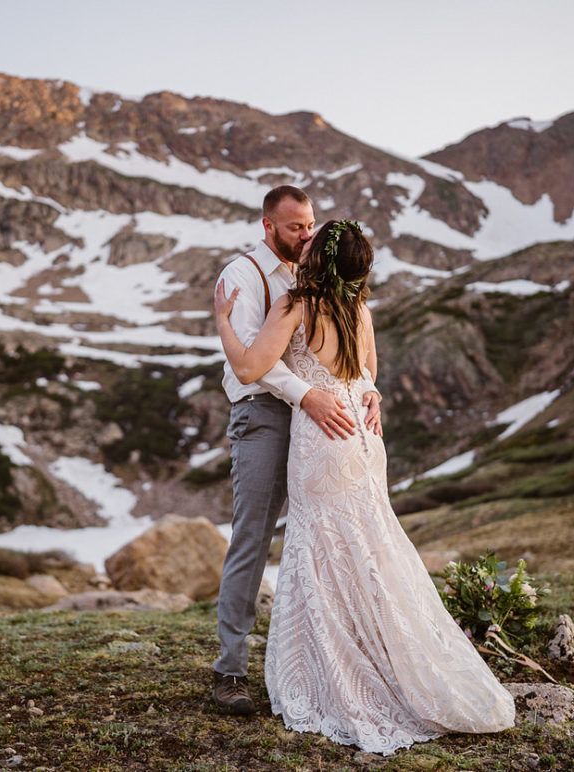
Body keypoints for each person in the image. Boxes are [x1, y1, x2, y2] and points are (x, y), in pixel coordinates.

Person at [214, 219, 515, 754]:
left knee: (319, 551)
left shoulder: (295, 305)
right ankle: (393, 656)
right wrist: (371, 393)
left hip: (321, 440)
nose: (303, 243)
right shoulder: (359, 309)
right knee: (368, 548)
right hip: (362, 436)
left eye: (313, 238)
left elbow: (247, 366)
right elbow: (368, 371)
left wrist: (223, 321)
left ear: (319, 258)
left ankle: (336, 674)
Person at [211, 186, 382, 716]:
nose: (307, 235)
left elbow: (355, 356)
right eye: (295, 228)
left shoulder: (317, 280)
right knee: (254, 536)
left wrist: (368, 389)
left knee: (332, 539)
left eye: (311, 226)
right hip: (267, 416)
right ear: (268, 226)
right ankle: (230, 671)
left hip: (322, 426)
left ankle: (340, 661)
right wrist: (307, 394)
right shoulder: (241, 277)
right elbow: (255, 366)